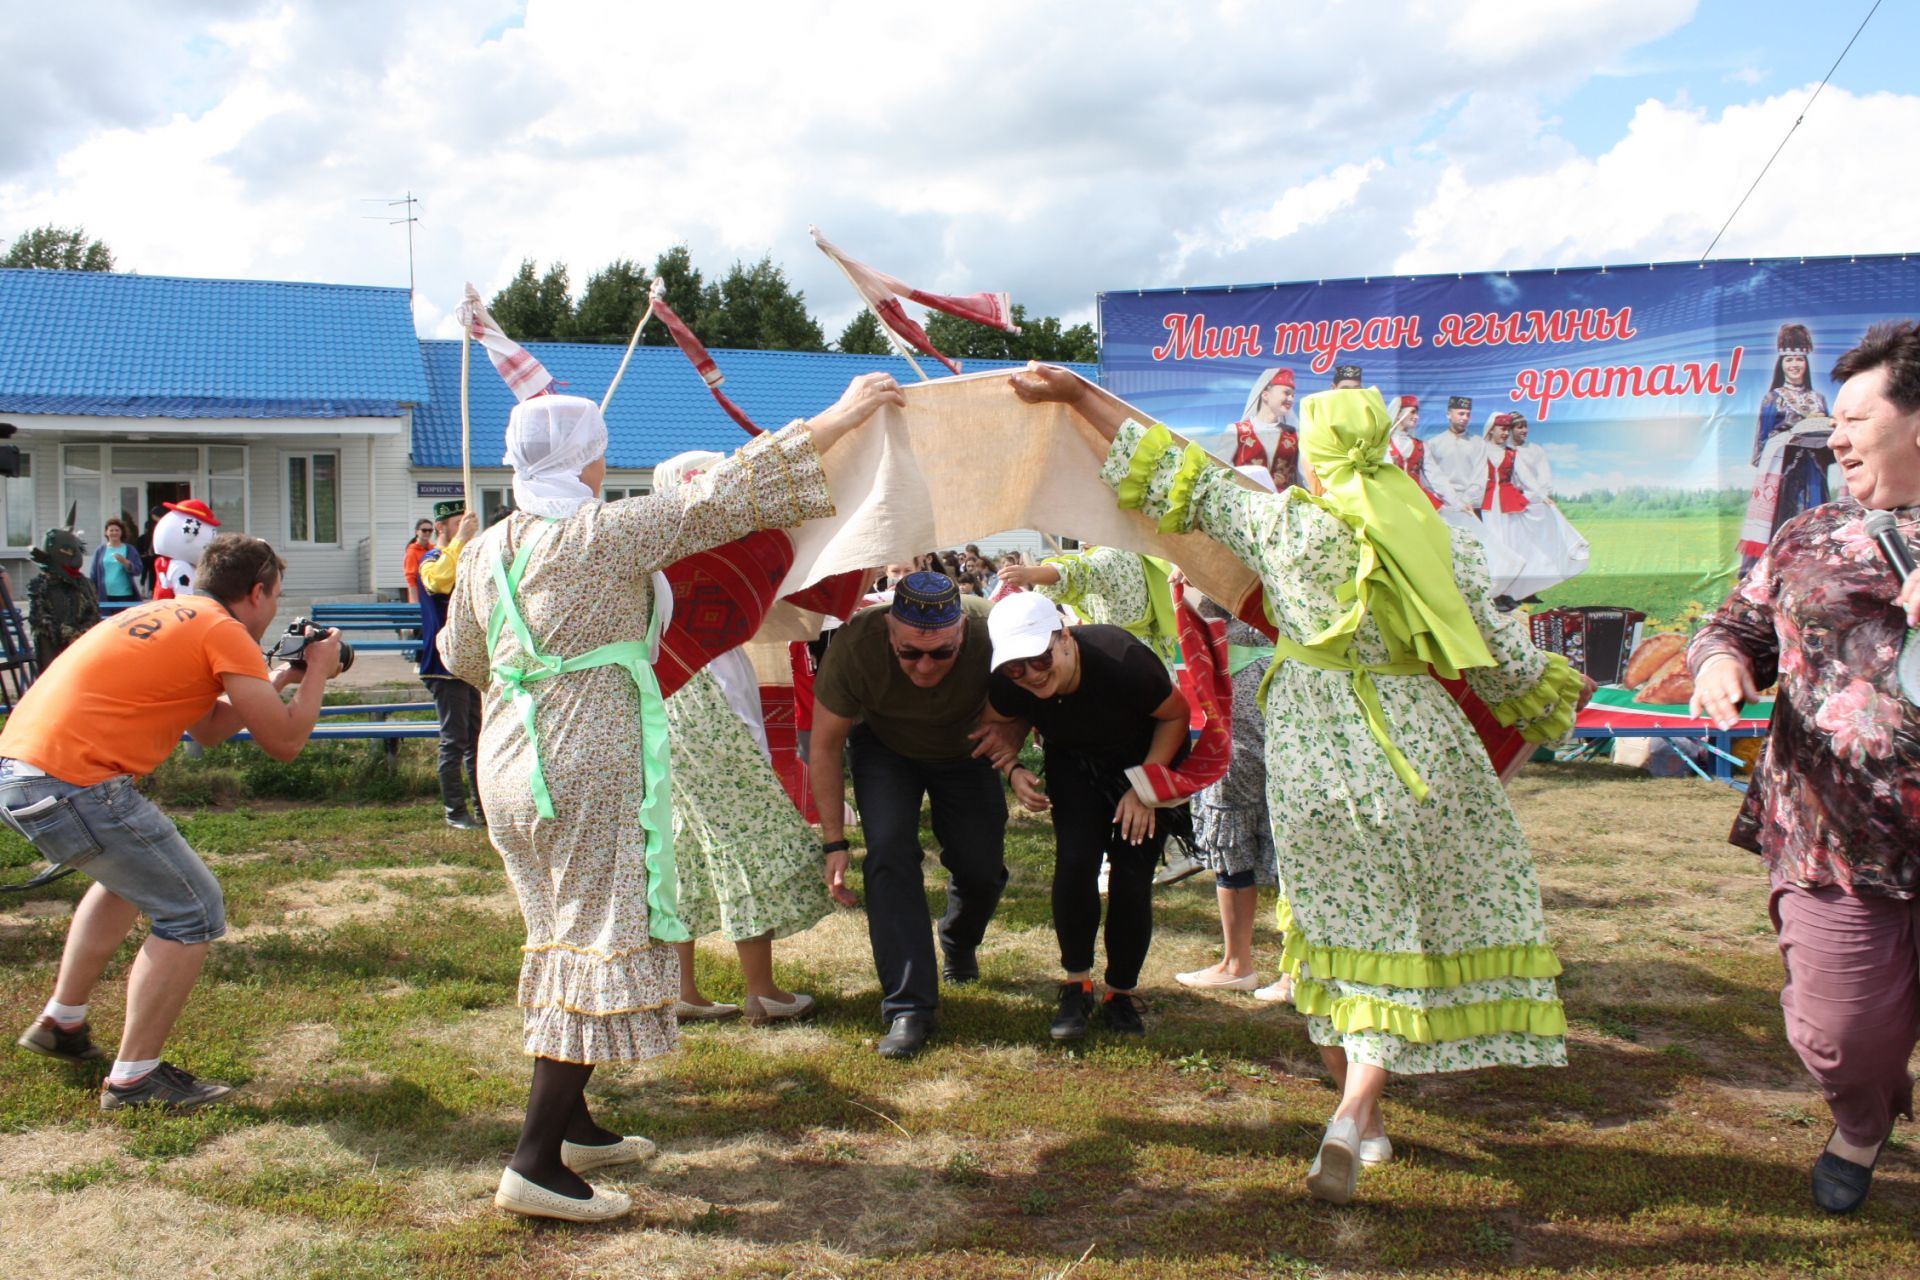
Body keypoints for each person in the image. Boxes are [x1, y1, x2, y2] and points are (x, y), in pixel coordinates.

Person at [1011, 364, 1589, 1206]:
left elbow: (1174, 468)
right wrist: (1548, 709)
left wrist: (1074, 393)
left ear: (1315, 459)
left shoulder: (1286, 526)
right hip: (1419, 748)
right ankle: (1363, 1114)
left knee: (1327, 931)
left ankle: (1360, 1117)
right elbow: (1506, 665)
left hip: (1316, 753)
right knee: (1394, 933)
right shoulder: (1441, 542)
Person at [439, 374, 899, 1224]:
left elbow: (460, 653)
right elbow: (722, 496)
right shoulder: (594, 535)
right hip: (582, 761)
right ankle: (535, 1162)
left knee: (558, 933)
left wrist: (543, 663)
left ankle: (571, 1127)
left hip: (506, 757)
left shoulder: (488, 550)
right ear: (584, 460)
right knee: (595, 939)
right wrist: (840, 416)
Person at [1689, 319, 1920, 1217]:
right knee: (1843, 1034)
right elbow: (1735, 621)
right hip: (1832, 831)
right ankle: (1862, 1119)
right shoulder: (1809, 534)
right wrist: (1719, 660)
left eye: (1859, 417)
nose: (1839, 435)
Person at [8, 535, 342, 1111]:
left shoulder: (165, 613)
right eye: (276, 596)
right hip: (78, 785)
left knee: (127, 883)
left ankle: (63, 1021)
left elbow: (209, 727)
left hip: (26, 772)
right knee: (193, 910)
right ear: (257, 592)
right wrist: (318, 672)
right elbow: (285, 742)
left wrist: (281, 676)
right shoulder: (222, 631)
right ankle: (135, 1080)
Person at [646, 451, 831, 1029]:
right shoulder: (706, 557)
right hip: (709, 697)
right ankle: (762, 990)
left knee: (682, 845)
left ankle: (683, 989)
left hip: (664, 697)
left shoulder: (652, 556)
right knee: (743, 835)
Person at [807, 571, 1008, 1061]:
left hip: (967, 747)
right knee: (889, 855)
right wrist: (835, 842)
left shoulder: (993, 628)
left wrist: (1013, 733)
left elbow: (1034, 690)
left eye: (941, 653)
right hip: (886, 749)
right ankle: (908, 1006)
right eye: (909, 653)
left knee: (981, 867)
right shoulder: (856, 643)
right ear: (891, 633)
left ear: (961, 630)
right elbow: (825, 745)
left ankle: (958, 941)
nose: (924, 666)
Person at [983, 588, 1191, 1040]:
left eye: (1039, 659)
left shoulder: (1122, 657)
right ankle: (1076, 983)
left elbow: (1176, 716)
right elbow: (997, 722)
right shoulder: (1009, 679)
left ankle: (1120, 993)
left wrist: (1146, 788)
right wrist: (1014, 767)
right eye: (1015, 666)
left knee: (1131, 877)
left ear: (1064, 638)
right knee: (1076, 864)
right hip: (1073, 760)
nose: (1031, 675)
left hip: (1144, 757)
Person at [1175, 469, 1285, 1000]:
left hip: (1254, 698)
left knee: (1258, 824)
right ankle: (1267, 965)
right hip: (1264, 697)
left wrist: (1188, 578)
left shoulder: (1254, 550)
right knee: (1262, 825)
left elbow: (1208, 606)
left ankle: (1252, 962)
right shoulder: (1288, 546)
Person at [1740, 323, 1837, 574]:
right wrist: (1787, 437)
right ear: (1781, 364)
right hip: (1784, 472)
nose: (1794, 365)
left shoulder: (1819, 399)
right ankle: (1773, 572)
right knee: (1781, 523)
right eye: (1789, 359)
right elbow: (1762, 441)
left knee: (1815, 519)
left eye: (1799, 359)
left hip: (1813, 472)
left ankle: (1814, 570)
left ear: (1806, 363)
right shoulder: (1773, 398)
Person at [417, 500, 485, 829]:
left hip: (470, 662)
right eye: (459, 523)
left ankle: (483, 808)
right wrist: (461, 541)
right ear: (441, 527)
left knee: (477, 740)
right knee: (454, 740)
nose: (466, 528)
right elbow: (439, 582)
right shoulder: (431, 560)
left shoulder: (467, 559)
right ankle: (455, 811)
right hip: (443, 666)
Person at [1507, 415, 1591, 597]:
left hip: (1535, 502)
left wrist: (1539, 495)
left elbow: (1544, 475)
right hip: (1513, 504)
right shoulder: (1506, 451)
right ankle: (1519, 588)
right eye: (1519, 427)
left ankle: (1538, 583)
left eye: (1525, 426)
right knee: (1519, 546)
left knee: (1543, 543)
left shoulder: (1535, 450)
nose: (1524, 431)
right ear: (1510, 429)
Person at [28, 526, 99, 668]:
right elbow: (40, 617)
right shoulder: (42, 584)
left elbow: (93, 612)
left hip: (82, 642)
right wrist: (67, 633)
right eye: (67, 550)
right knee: (42, 635)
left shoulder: (85, 584)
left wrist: (81, 633)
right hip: (55, 643)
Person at [1229, 367, 1300, 490]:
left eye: (1293, 395)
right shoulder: (1237, 431)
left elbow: (1303, 479)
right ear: (1266, 395)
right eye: (1286, 393)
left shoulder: (1294, 436)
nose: (1291, 399)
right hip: (1244, 505)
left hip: (1283, 505)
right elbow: (1221, 472)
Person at [1385, 396, 1443, 509]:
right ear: (1398, 414)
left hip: (1416, 499)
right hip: (1390, 499)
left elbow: (1436, 476)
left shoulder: (1420, 446)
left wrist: (1456, 502)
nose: (1416, 417)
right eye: (1412, 412)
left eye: (1417, 413)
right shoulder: (1384, 444)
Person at [90, 517, 144, 604]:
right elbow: (93, 574)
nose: (114, 533)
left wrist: (125, 562)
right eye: (111, 530)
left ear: (121, 532)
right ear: (106, 533)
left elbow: (138, 570)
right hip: (104, 595)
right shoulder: (100, 550)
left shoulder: (130, 549)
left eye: (117, 530)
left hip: (125, 595)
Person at [403, 517, 435, 604]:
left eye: (430, 530)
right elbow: (411, 579)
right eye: (424, 530)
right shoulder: (411, 552)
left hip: (433, 596)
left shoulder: (434, 548)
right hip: (421, 597)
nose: (427, 533)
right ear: (417, 531)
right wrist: (414, 602)